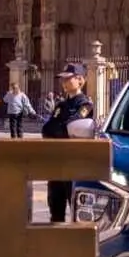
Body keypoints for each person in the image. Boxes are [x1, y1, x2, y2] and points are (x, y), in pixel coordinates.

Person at [41, 63, 94, 224]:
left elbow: (73, 126)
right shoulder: (61, 105)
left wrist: (61, 128)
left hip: (75, 162)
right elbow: (47, 129)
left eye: (68, 79)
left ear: (80, 80)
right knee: (55, 205)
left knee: (77, 208)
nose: (64, 83)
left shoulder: (85, 105)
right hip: (57, 160)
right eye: (62, 79)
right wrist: (61, 129)